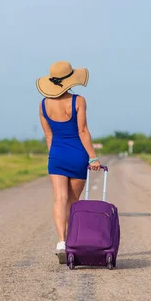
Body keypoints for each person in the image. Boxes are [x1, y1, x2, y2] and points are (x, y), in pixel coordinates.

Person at [36, 61, 102, 264]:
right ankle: (73, 240)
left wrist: (54, 156)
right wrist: (93, 157)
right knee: (73, 202)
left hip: (56, 155)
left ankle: (61, 242)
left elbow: (48, 136)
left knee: (59, 199)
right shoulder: (78, 101)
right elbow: (83, 131)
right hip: (77, 155)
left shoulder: (43, 104)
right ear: (70, 79)